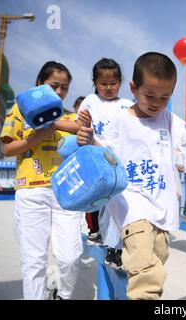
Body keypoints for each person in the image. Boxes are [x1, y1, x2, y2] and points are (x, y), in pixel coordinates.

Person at [77, 52, 186, 300]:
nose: (156, 103)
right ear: (133, 87)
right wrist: (90, 140)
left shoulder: (168, 119)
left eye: (165, 97)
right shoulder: (122, 119)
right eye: (149, 95)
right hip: (132, 203)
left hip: (161, 206)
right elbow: (106, 152)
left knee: (157, 258)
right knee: (143, 264)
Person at [0, 61, 83, 300]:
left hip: (66, 194)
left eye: (64, 88)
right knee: (33, 260)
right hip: (30, 192)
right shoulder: (18, 110)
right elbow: (7, 149)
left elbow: (83, 131)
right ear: (39, 84)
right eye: (54, 86)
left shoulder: (69, 118)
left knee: (69, 256)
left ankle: (63, 295)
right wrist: (38, 136)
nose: (59, 92)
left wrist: (56, 123)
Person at [76, 58, 133, 269]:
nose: (108, 88)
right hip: (97, 159)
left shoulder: (127, 104)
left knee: (116, 205)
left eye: (113, 83)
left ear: (121, 82)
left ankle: (114, 249)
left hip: (118, 163)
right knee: (100, 204)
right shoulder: (90, 100)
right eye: (103, 83)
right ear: (94, 82)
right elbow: (78, 126)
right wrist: (82, 124)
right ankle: (102, 237)